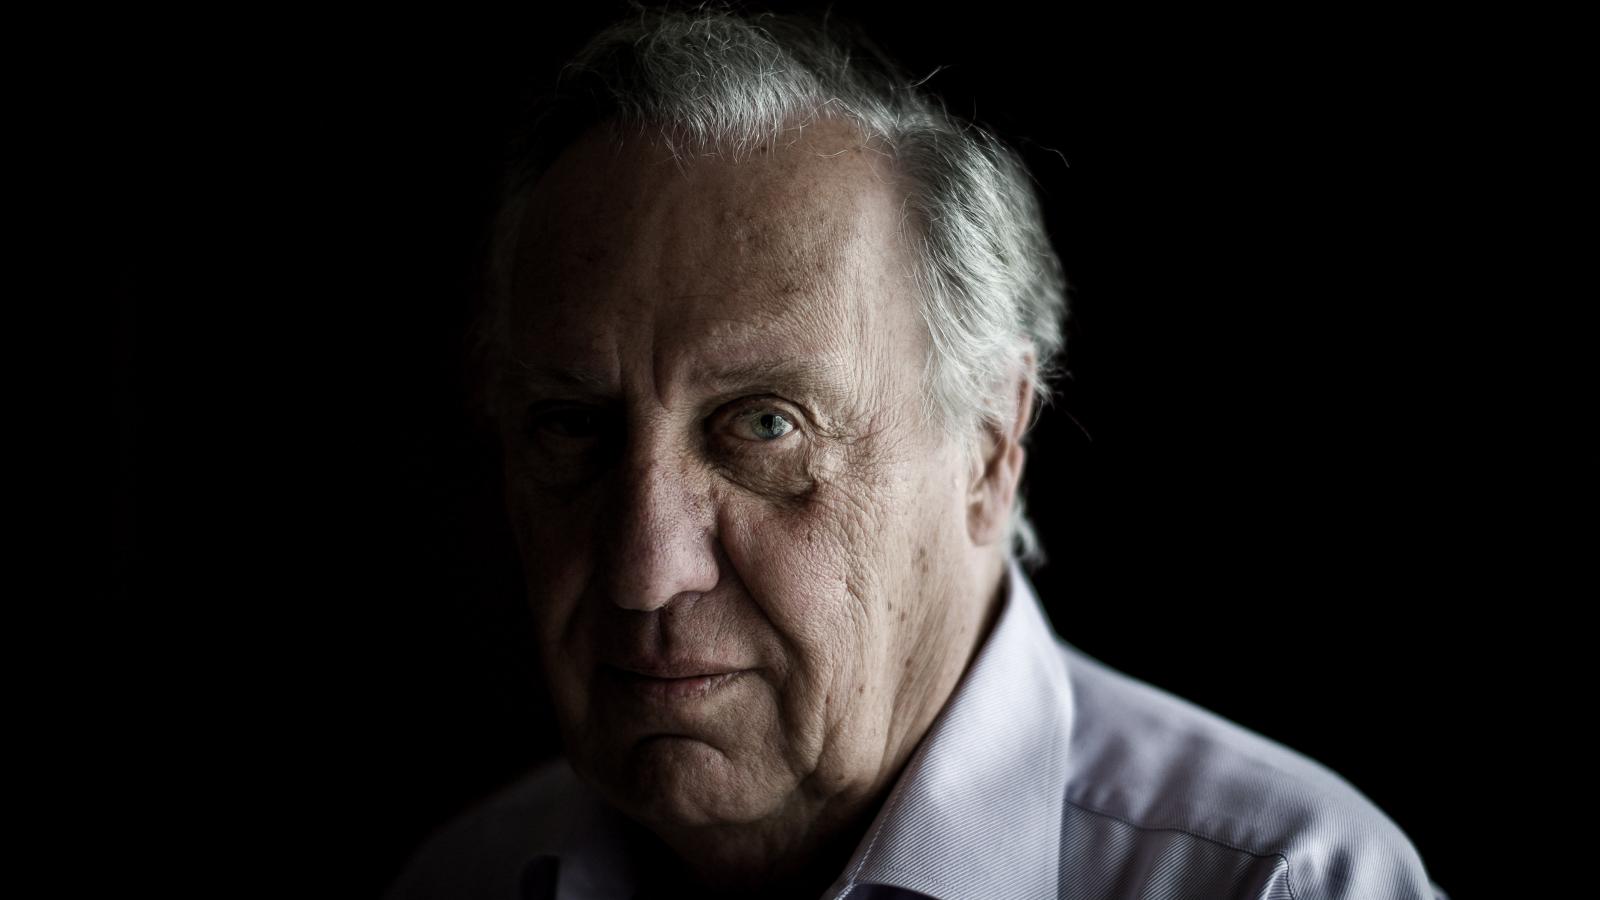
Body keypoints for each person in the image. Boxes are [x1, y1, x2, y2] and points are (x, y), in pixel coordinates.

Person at [388, 7, 1448, 899]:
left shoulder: (1284, 885)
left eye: (765, 426)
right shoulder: (461, 880)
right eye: (572, 426)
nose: (643, 569)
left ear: (989, 447)